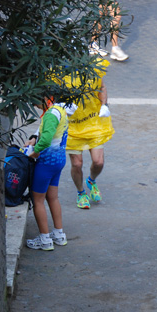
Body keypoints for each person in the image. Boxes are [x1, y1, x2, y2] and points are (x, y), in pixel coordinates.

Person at [65, 58, 114, 210]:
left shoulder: (91, 68)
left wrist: (104, 105)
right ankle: (81, 193)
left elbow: (102, 86)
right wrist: (61, 105)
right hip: (72, 126)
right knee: (77, 163)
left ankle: (91, 181)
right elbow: (46, 97)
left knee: (99, 162)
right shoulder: (59, 73)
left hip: (93, 122)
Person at [25, 98, 73, 250]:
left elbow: (45, 140)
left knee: (38, 200)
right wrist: (34, 139)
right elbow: (44, 132)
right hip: (59, 159)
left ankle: (45, 240)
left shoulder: (50, 114)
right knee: (53, 197)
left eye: (34, 100)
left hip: (46, 162)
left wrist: (33, 153)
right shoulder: (60, 109)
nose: (33, 104)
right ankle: (59, 235)